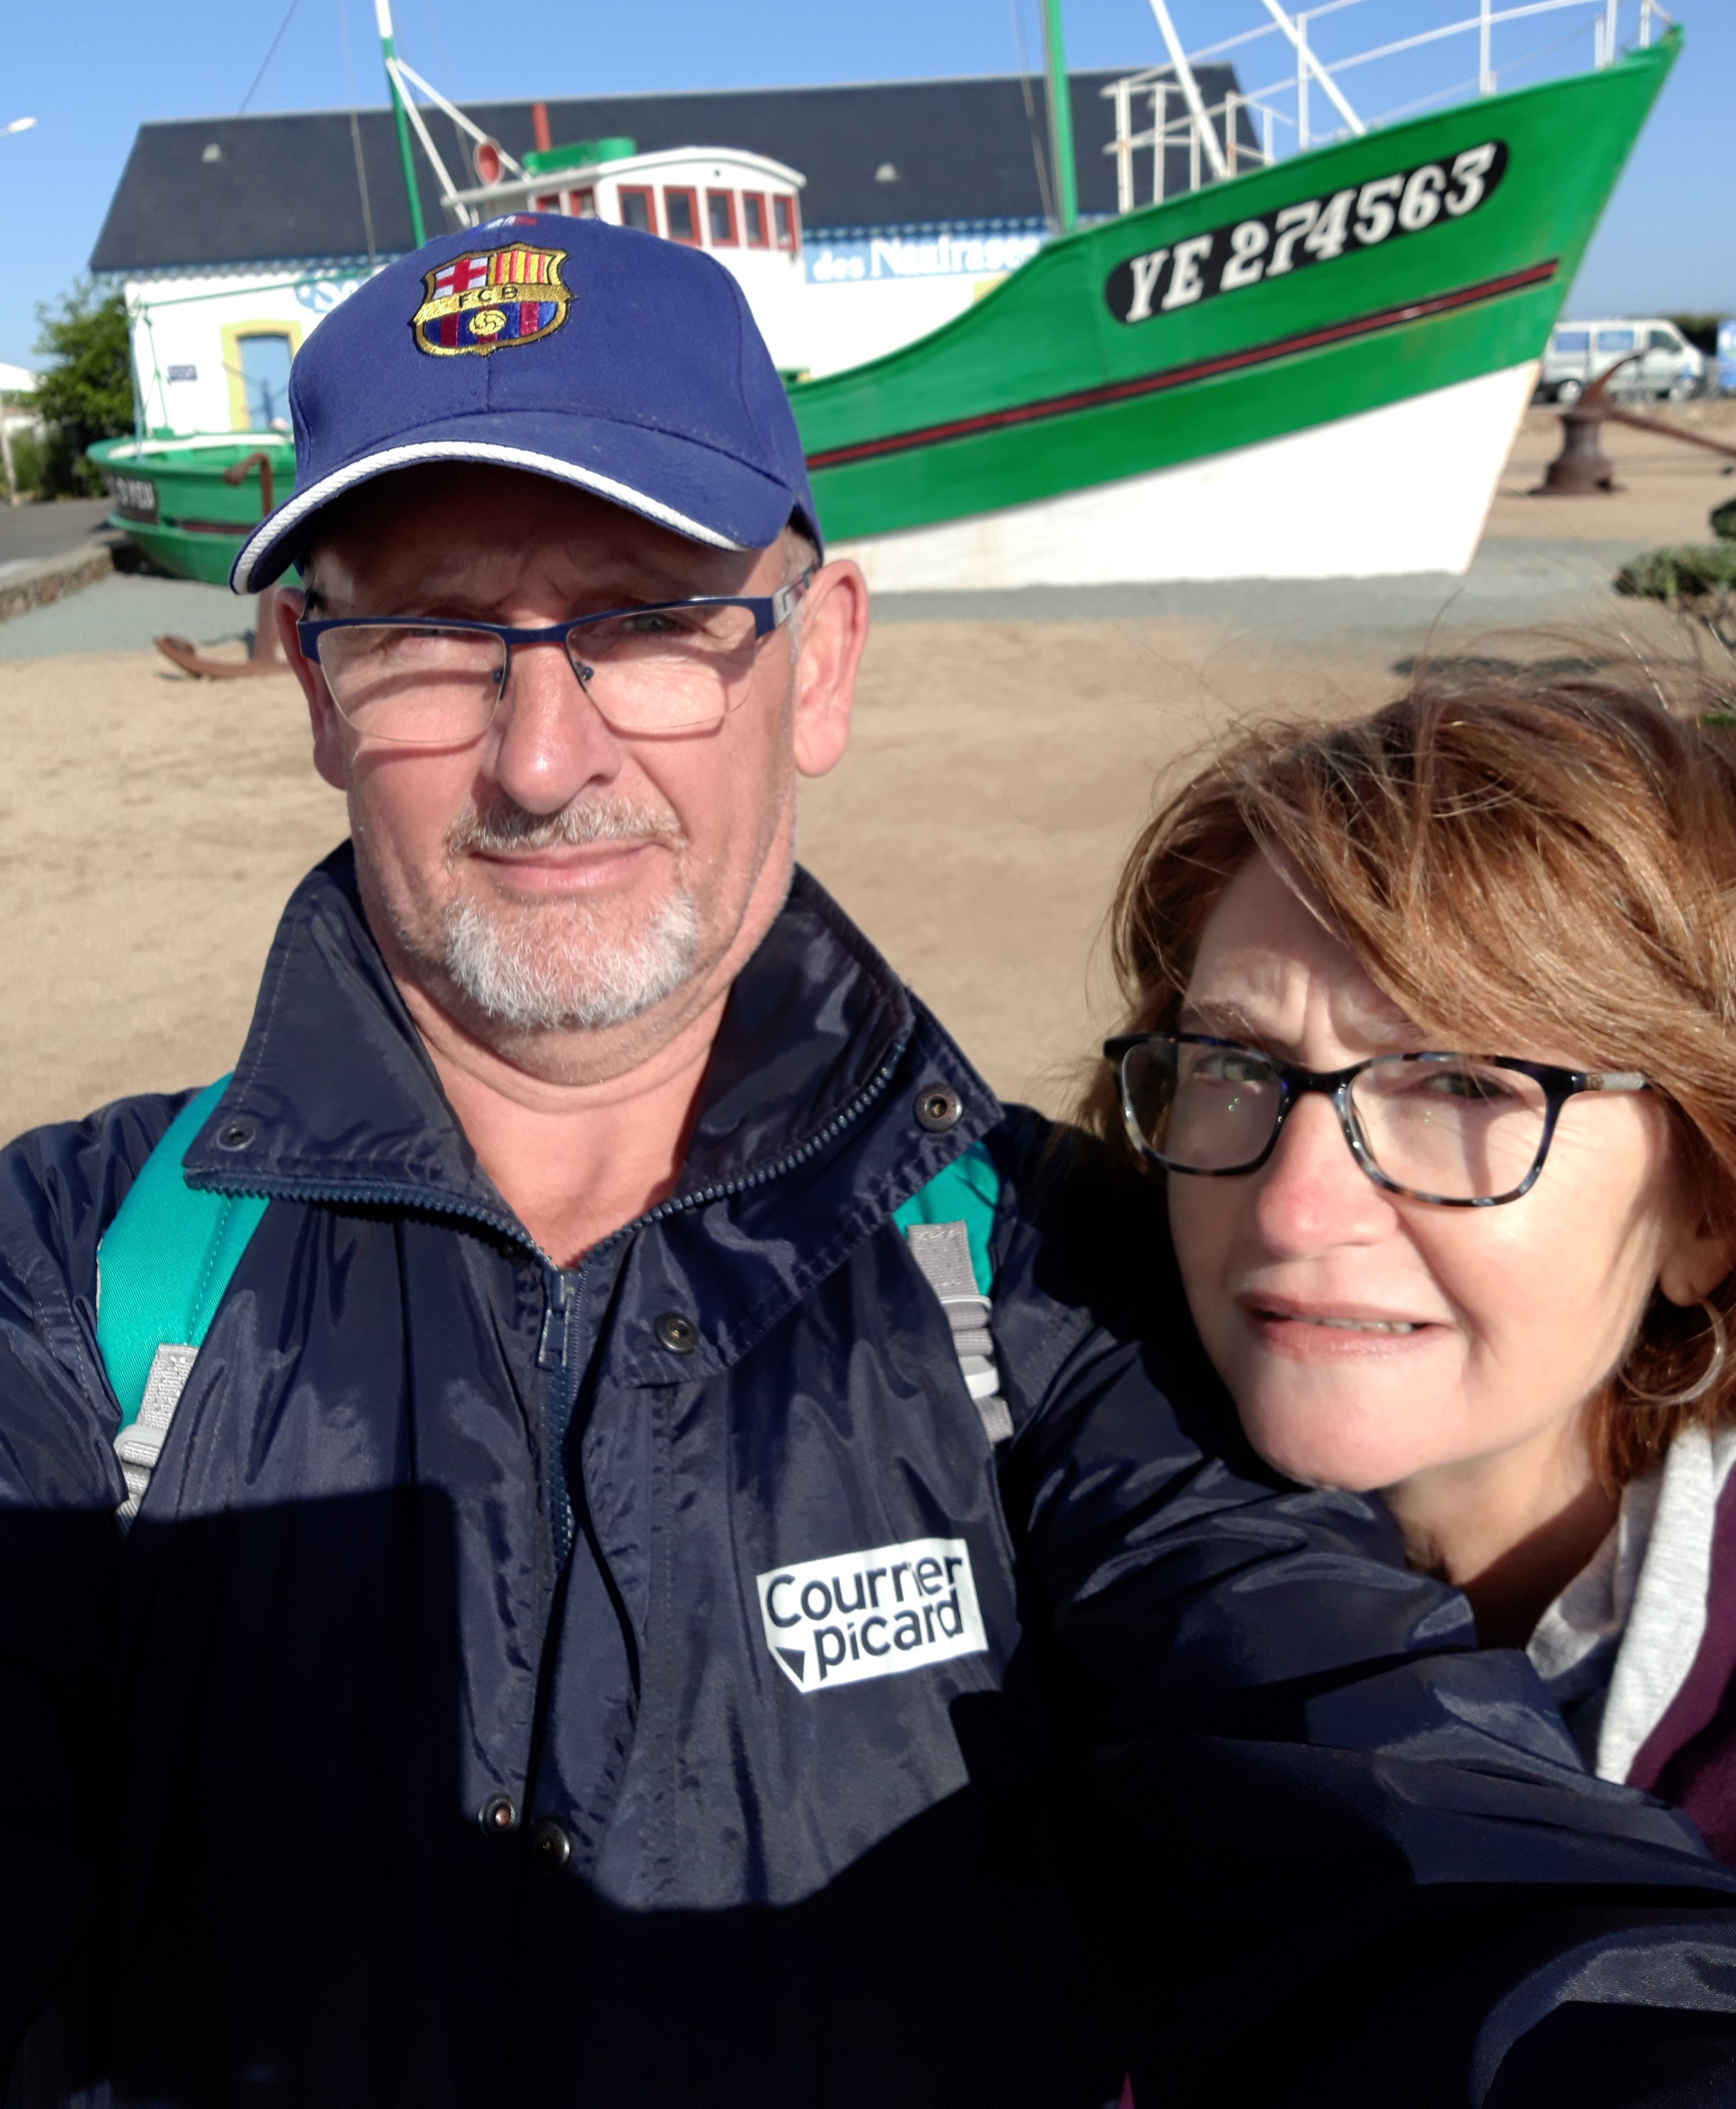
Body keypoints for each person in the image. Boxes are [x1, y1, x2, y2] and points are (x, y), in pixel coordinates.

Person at [3, 225, 1736, 2109]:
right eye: (428, 636)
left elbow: (1361, 1758)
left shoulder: (1055, 1273)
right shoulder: (74, 1273)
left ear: (819, 659)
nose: (542, 756)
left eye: (649, 620)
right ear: (314, 687)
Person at [1087, 663, 1736, 1878]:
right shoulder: (1019, 1566)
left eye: (1464, 1085)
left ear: (1707, 1215)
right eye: (1236, 1065)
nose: (1295, 1207)